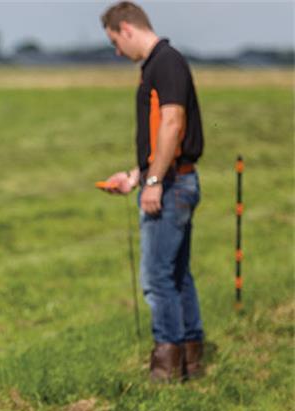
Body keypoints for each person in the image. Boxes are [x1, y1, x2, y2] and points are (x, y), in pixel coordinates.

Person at [98, 1, 205, 383]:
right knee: (177, 275)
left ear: (126, 28)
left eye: (115, 42)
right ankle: (191, 362)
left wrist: (155, 182)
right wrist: (137, 176)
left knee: (158, 279)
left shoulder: (166, 62)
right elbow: (164, 135)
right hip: (174, 178)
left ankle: (166, 371)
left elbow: (173, 124)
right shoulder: (160, 64)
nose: (117, 52)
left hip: (172, 184)